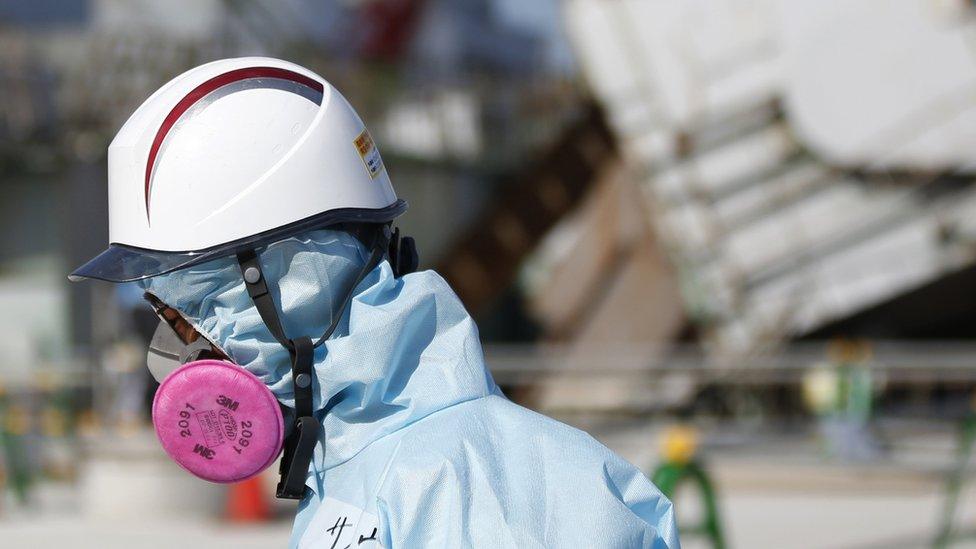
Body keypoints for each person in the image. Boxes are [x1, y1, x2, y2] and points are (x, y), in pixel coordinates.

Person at [70, 57, 679, 548]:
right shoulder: (354, 468)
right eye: (168, 315)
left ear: (295, 282)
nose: (184, 349)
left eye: (194, 306)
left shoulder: (492, 496)